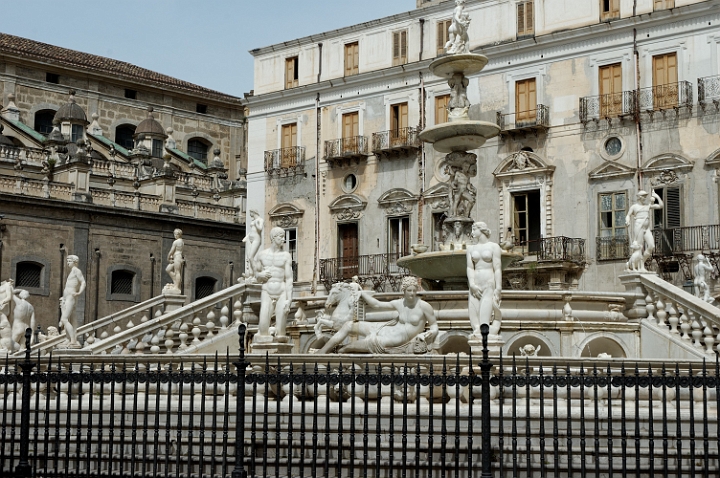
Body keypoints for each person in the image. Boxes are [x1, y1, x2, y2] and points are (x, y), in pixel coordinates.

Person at [318, 276, 438, 354]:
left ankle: (342, 349)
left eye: (414, 290)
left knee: (371, 341)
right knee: (349, 325)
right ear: (404, 291)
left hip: (396, 339)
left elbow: (434, 325)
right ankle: (322, 352)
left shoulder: (424, 306)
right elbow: (377, 305)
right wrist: (362, 294)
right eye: (409, 290)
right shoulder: (399, 303)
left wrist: (428, 333)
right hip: (387, 329)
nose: (412, 293)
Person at [254, 227, 293, 341]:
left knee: (281, 331)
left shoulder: (286, 256)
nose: (283, 239)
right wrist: (260, 275)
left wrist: (289, 299)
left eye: (284, 236)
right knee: (263, 327)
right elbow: (255, 274)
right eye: (281, 236)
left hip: (281, 291)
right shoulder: (262, 255)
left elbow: (289, 279)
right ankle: (265, 354)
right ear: (273, 238)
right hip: (267, 290)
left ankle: (279, 353)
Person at [466, 222, 503, 338]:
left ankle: (485, 332)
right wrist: (471, 284)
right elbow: (470, 267)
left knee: (485, 310)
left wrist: (498, 288)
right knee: (473, 309)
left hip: (488, 281)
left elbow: (497, 268)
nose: (472, 233)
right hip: (475, 282)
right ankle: (477, 331)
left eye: (474, 229)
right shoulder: (470, 248)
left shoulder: (494, 247)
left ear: (481, 230)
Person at [625, 190, 663, 262]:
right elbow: (628, 215)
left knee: (651, 246)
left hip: (646, 228)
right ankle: (633, 264)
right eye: (643, 196)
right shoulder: (634, 207)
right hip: (639, 227)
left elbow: (661, 206)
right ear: (639, 197)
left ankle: (642, 262)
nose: (645, 198)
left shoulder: (647, 206)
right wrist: (627, 220)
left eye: (646, 196)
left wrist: (657, 196)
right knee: (638, 248)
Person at [59, 255, 86, 348]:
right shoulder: (72, 271)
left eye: (69, 261)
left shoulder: (76, 271)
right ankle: (68, 339)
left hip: (71, 296)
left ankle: (73, 340)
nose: (68, 263)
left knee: (64, 319)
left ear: (74, 262)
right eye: (67, 261)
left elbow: (83, 282)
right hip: (67, 297)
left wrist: (79, 292)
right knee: (71, 318)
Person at [243, 210, 264, 280]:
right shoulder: (253, 220)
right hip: (250, 238)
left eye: (250, 213)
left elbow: (260, 229)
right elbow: (252, 230)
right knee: (248, 257)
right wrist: (247, 237)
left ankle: (255, 274)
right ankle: (250, 274)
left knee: (251, 257)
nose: (250, 214)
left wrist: (256, 224)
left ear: (254, 212)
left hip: (256, 238)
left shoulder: (260, 220)